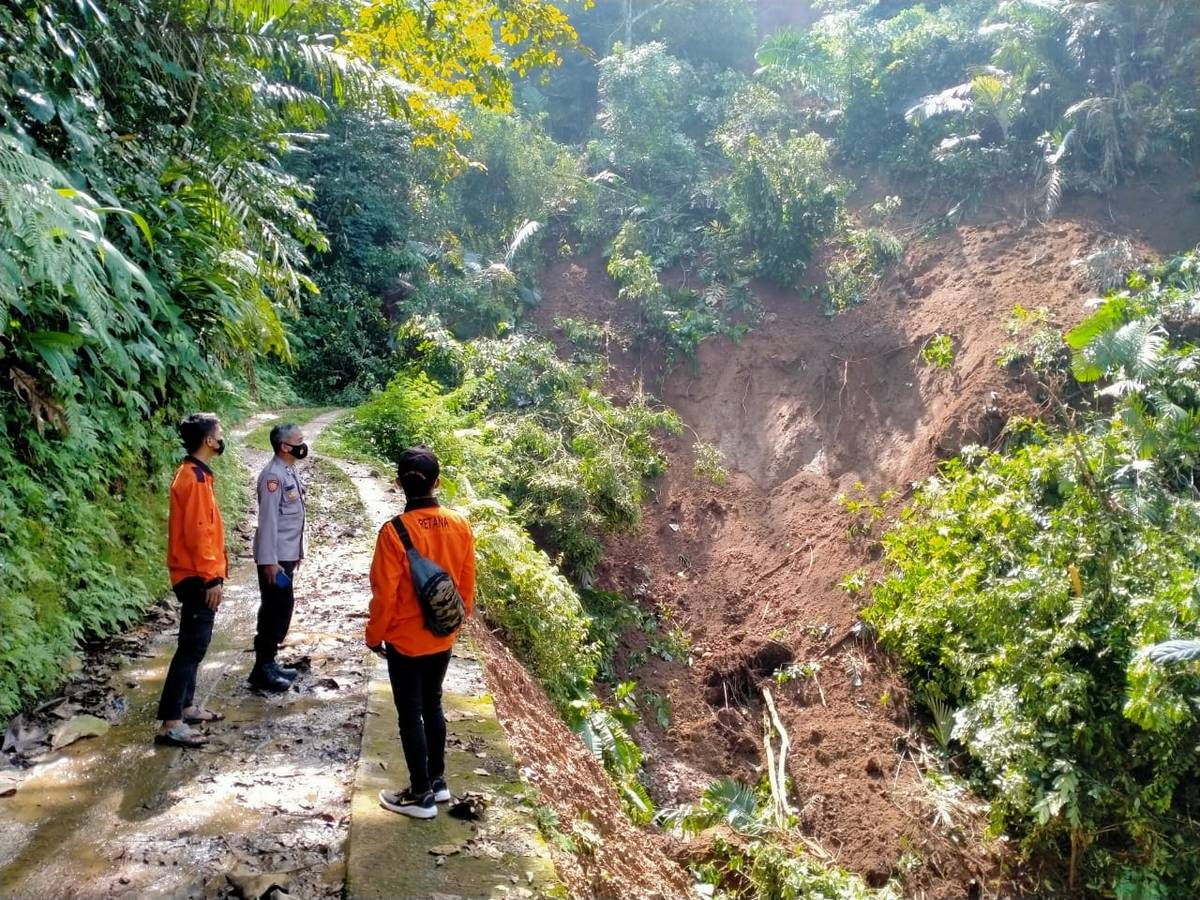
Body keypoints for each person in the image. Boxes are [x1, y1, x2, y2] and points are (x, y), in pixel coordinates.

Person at [367, 446, 476, 819]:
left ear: (398, 484)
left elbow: (385, 593)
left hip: (405, 640)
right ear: (438, 482)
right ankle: (439, 781)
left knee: (410, 712)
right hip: (443, 635)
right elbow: (466, 585)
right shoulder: (460, 524)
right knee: (433, 703)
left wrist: (374, 634)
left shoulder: (393, 532)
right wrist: (455, 626)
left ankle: (420, 795)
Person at [155, 413, 228, 748]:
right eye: (218, 433)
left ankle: (185, 707)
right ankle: (171, 723)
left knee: (195, 647)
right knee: (190, 648)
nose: (221, 437)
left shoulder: (195, 474)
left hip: (194, 572)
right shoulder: (194, 479)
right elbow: (201, 534)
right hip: (197, 575)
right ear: (207, 440)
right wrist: (212, 577)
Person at [249, 423, 308, 692]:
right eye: (298, 440)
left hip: (285, 554)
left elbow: (293, 518)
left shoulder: (288, 471)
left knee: (282, 609)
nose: (303, 444)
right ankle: (262, 669)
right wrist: (269, 561)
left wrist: (297, 553)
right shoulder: (272, 477)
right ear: (285, 446)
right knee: (273, 610)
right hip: (274, 558)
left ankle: (269, 662)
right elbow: (269, 522)